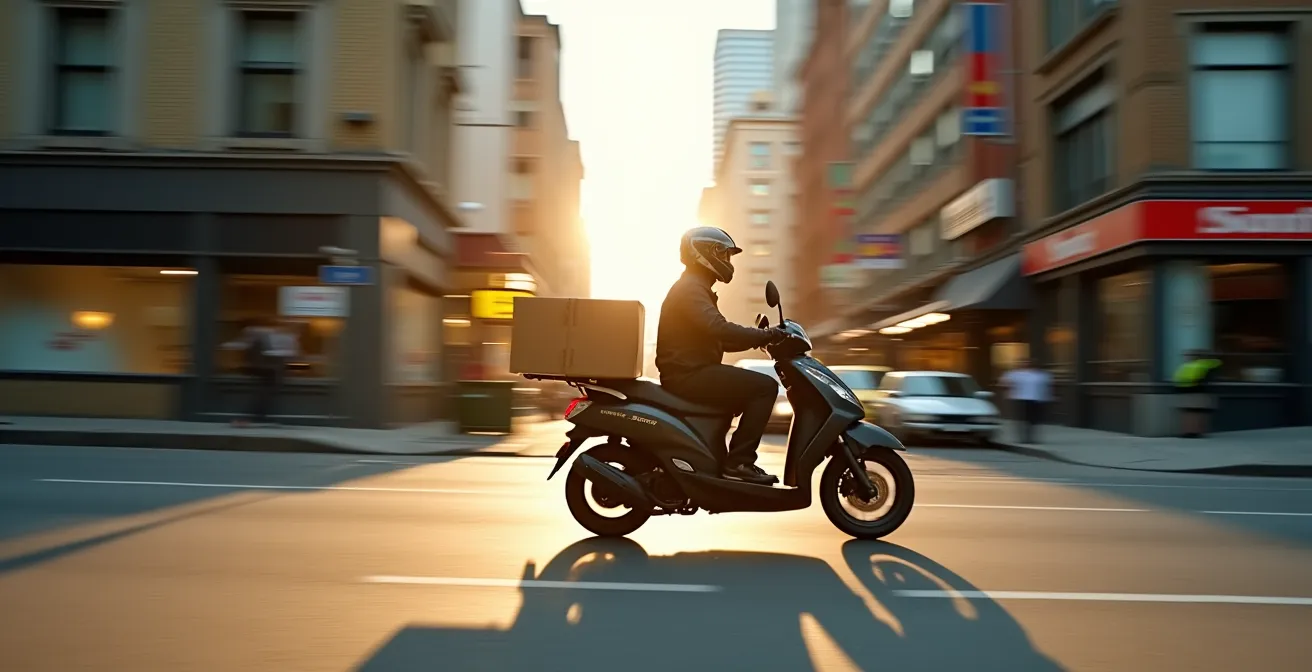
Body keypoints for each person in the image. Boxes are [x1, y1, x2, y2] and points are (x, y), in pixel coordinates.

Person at [655, 226, 787, 485]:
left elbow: (718, 338)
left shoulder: (695, 287)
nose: (728, 263)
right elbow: (717, 327)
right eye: (724, 255)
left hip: (690, 371)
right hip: (688, 374)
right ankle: (739, 463)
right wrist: (765, 335)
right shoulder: (690, 289)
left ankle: (716, 459)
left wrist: (759, 340)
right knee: (765, 388)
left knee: (746, 392)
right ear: (705, 253)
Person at [999, 358, 1052, 444]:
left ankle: (1031, 437)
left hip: (1036, 399)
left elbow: (1046, 387)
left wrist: (1047, 397)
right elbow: (1004, 384)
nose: (1025, 365)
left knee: (1033, 420)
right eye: (1023, 363)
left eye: (1028, 363)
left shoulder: (1041, 375)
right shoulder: (1014, 374)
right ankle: (1023, 438)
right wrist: (1007, 393)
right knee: (1022, 419)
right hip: (1020, 398)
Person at [1173, 349, 1221, 438]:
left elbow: (1178, 379)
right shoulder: (1206, 366)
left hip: (1186, 391)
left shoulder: (1187, 366)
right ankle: (1196, 432)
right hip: (1199, 392)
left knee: (1189, 414)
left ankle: (1188, 432)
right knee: (1198, 413)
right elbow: (1209, 380)